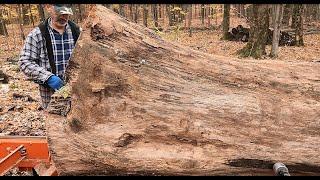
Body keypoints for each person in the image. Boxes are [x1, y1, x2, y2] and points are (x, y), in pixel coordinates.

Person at [18, 4, 80, 109]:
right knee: (54, 122)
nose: (64, 17)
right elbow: (24, 62)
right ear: (48, 8)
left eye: (66, 13)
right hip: (50, 95)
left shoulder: (76, 31)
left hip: (76, 93)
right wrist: (48, 77)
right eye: (60, 13)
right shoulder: (38, 34)